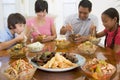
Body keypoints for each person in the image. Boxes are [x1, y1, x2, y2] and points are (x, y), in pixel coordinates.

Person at [96, 8, 120, 80]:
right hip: (109, 59)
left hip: (117, 62)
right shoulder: (108, 29)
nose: (103, 24)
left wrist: (100, 52)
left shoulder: (119, 34)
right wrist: (93, 30)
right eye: (102, 22)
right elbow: (96, 36)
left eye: (105, 21)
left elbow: (114, 53)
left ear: (115, 20)